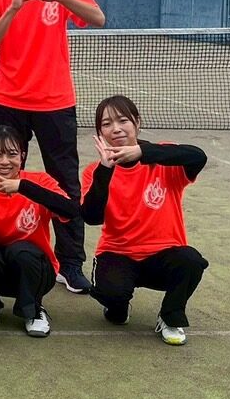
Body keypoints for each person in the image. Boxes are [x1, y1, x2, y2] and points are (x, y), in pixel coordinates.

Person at [0, 0, 105, 295]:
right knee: (1, 177)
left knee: (65, 183)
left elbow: (97, 18)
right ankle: (0, 251)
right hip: (7, 100)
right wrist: (13, 9)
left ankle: (71, 263)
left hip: (55, 102)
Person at [82, 95, 209, 346]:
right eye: (107, 124)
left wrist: (143, 152)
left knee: (191, 261)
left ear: (137, 123)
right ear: (100, 133)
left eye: (123, 120)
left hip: (162, 255)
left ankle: (170, 317)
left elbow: (198, 156)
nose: (116, 129)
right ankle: (117, 307)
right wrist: (105, 170)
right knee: (111, 296)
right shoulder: (94, 171)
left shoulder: (163, 159)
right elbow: (91, 217)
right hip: (118, 253)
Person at [0, 124, 80, 337]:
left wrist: (22, 187)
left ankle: (33, 309)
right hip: (0, 270)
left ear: (22, 156)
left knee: (21, 250)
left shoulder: (40, 181)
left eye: (12, 154)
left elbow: (72, 210)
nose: (4, 161)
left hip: (36, 271)